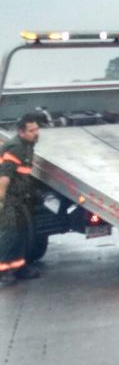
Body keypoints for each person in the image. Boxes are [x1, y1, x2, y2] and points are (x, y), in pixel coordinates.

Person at [0, 112, 42, 285]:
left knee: (22, 233)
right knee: (10, 234)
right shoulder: (16, 147)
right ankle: (3, 272)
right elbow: (4, 177)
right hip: (9, 199)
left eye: (37, 129)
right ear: (21, 132)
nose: (36, 133)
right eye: (32, 130)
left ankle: (19, 267)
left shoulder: (27, 144)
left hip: (20, 198)